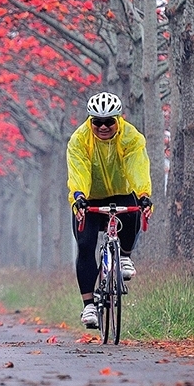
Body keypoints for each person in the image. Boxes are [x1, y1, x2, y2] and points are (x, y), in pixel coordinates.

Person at [68, 91, 153, 329]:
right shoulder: (79, 140)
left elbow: (137, 166)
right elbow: (79, 170)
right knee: (85, 245)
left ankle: (124, 256)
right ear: (90, 121)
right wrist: (79, 197)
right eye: (97, 122)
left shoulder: (131, 137)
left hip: (121, 190)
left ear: (119, 119)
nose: (103, 127)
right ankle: (88, 305)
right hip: (89, 196)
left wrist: (144, 194)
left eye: (109, 122)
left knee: (134, 207)